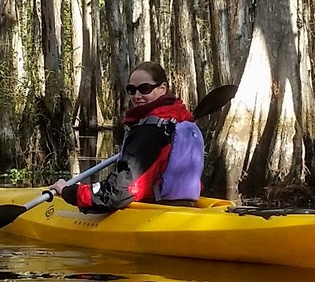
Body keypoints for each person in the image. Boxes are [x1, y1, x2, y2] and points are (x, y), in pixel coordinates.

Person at [49, 61, 203, 213]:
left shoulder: (151, 130)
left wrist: (70, 192)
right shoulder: (179, 120)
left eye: (145, 89)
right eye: (132, 89)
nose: (137, 95)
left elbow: (117, 193)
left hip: (156, 210)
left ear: (162, 89)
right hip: (185, 206)